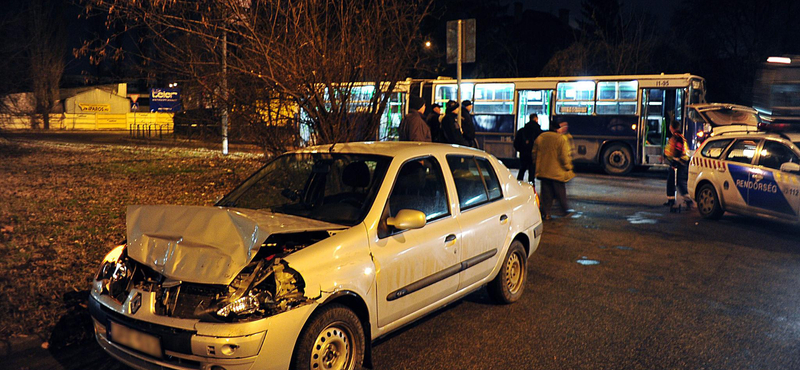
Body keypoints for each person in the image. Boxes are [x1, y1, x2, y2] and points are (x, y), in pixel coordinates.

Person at [532, 124, 574, 220]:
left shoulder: (541, 137)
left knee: (546, 194)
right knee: (560, 193)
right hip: (556, 173)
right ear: (557, 129)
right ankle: (564, 211)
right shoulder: (560, 139)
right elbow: (564, 156)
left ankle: (546, 213)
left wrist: (537, 164)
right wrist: (568, 167)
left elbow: (534, 153)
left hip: (543, 172)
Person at [664, 118, 693, 211]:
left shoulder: (677, 137)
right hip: (678, 162)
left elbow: (678, 150)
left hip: (680, 163)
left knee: (680, 182)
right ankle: (671, 200)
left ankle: (688, 201)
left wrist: (675, 162)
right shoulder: (677, 136)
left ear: (671, 127)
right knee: (671, 181)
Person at [514, 114, 543, 182]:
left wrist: (521, 149)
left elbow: (516, 143)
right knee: (532, 172)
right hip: (534, 155)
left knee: (522, 170)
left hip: (524, 154)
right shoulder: (539, 132)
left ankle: (518, 185)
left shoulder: (521, 131)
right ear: (536, 119)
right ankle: (531, 187)